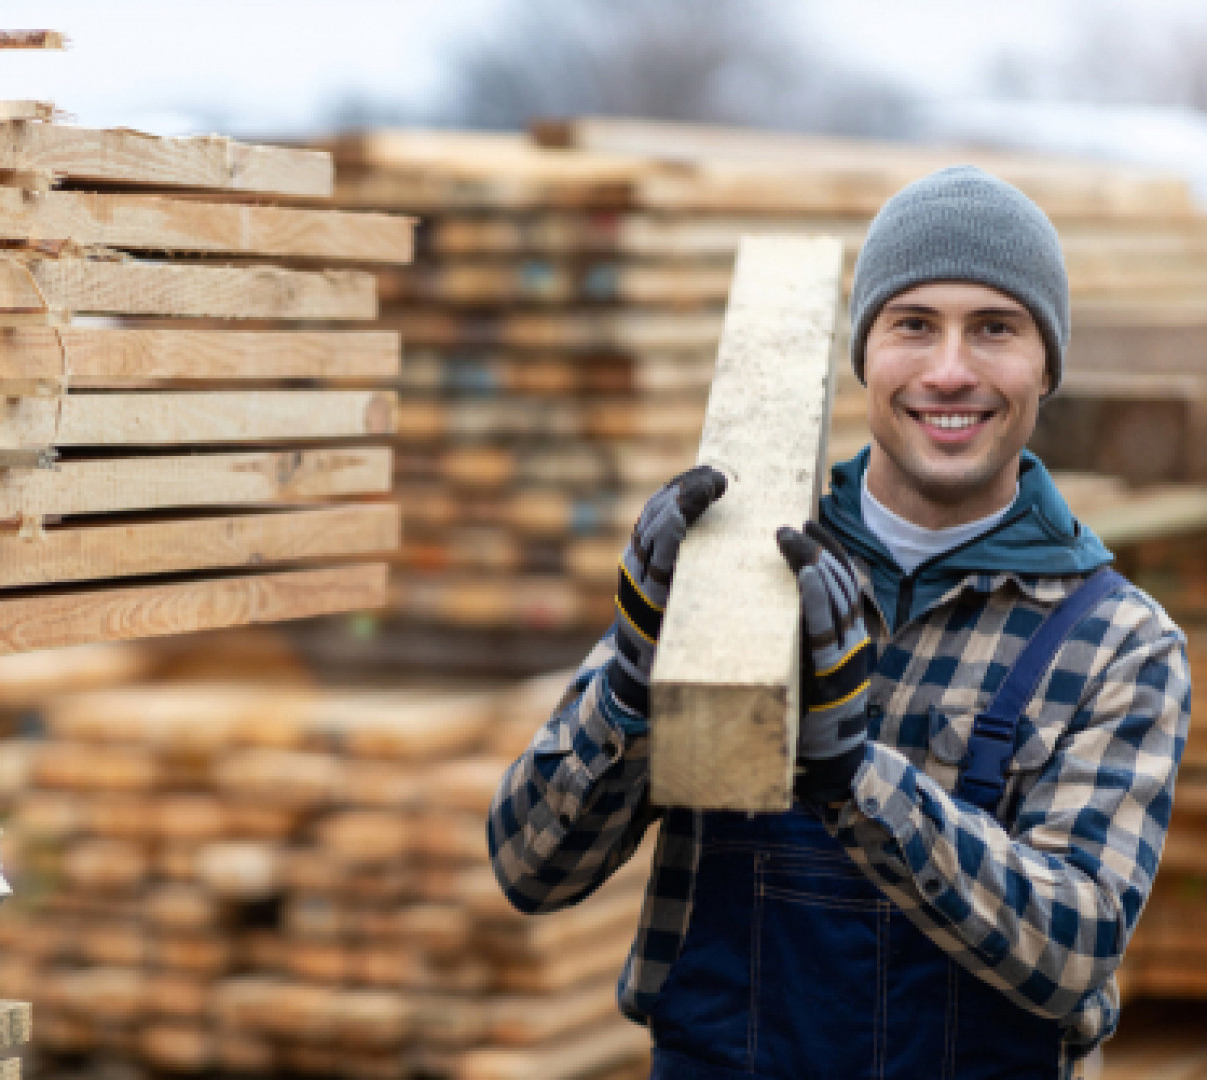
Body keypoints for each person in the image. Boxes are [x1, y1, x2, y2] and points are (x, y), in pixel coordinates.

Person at [487, 166, 1192, 1080]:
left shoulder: (1118, 643)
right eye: (913, 325)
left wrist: (854, 774)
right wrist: (630, 684)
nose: (949, 370)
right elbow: (530, 867)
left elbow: (1077, 946)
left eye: (995, 328)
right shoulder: (738, 572)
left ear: (1046, 365)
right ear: (863, 354)